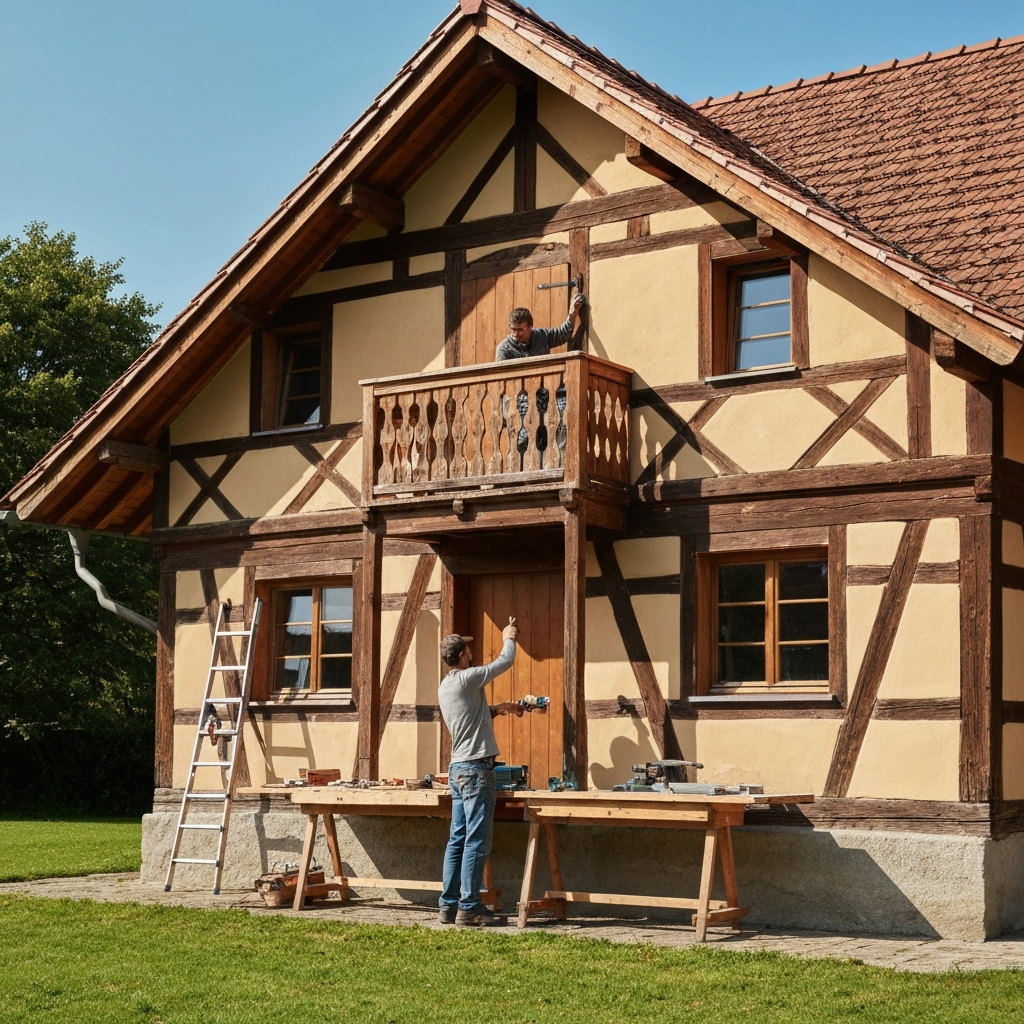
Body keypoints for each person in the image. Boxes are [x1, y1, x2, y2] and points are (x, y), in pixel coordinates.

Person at [437, 620, 522, 926]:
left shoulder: (447, 686)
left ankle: (448, 905)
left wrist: (500, 708)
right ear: (462, 655)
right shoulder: (468, 678)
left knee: (457, 839)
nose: (472, 651)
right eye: (468, 647)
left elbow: (471, 719)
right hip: (476, 770)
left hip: (459, 768)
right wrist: (508, 637)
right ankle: (470, 906)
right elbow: (505, 661)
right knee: (477, 840)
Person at [495, 292, 585, 361]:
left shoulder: (542, 336)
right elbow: (501, 378)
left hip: (546, 384)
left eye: (519, 330)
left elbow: (563, 334)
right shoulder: (503, 349)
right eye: (512, 329)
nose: (515, 334)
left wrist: (572, 315)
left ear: (530, 327)